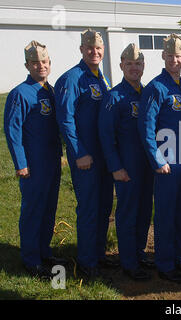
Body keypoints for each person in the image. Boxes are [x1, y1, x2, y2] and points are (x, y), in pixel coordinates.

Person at [54, 29, 116, 280]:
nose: (95, 52)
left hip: (104, 157)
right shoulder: (72, 78)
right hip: (85, 157)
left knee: (104, 207)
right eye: (90, 48)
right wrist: (78, 152)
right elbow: (65, 120)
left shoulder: (101, 78)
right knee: (89, 207)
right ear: (81, 49)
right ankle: (87, 261)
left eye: (98, 48)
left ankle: (98, 254)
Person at [139, 34, 181, 283]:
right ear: (163, 56)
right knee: (165, 214)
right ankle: (164, 264)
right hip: (165, 164)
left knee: (180, 213)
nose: (175, 59)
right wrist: (157, 160)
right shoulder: (156, 87)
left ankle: (177, 258)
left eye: (179, 55)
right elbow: (146, 127)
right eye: (170, 55)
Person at [4, 41, 64, 279]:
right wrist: (20, 163)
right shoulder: (20, 93)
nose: (41, 66)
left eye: (45, 62)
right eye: (35, 62)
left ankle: (44, 251)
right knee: (33, 210)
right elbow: (12, 130)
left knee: (49, 209)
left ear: (49, 64)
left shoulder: (50, 91)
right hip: (32, 164)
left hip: (51, 162)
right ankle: (30, 258)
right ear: (27, 65)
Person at [98, 44, 154, 281]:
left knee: (144, 212)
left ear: (143, 66)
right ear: (121, 65)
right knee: (128, 213)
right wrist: (116, 167)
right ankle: (128, 262)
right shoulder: (115, 96)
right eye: (129, 64)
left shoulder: (148, 93)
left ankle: (138, 253)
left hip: (147, 167)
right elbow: (106, 135)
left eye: (138, 64)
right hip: (126, 168)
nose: (134, 68)